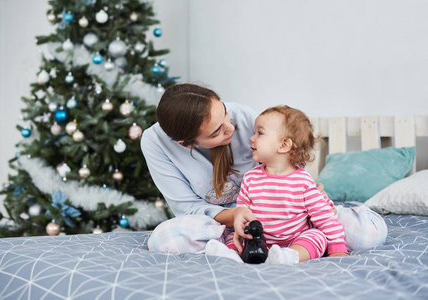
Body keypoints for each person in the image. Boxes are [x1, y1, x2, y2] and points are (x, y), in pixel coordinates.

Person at [141, 83, 387, 256]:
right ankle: (237, 249)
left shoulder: (245, 117)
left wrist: (309, 194)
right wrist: (235, 217)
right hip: (227, 225)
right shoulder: (155, 143)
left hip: (289, 217)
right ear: (186, 143)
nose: (232, 127)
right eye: (217, 131)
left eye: (225, 113)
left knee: (369, 234)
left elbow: (287, 163)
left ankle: (299, 247)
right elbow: (188, 209)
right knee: (163, 240)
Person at [207, 105, 348, 264]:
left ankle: (288, 256)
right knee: (232, 235)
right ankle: (230, 255)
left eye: (259, 133)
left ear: (283, 145)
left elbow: (325, 217)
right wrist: (244, 233)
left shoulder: (303, 181)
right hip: (258, 240)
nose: (251, 138)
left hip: (294, 239)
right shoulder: (250, 178)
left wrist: (338, 248)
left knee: (316, 236)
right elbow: (242, 213)